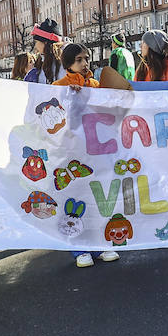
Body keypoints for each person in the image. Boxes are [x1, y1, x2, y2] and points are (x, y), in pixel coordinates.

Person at [49, 45, 120, 269]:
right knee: (74, 200)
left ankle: (100, 244)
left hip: (95, 154)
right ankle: (79, 248)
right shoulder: (58, 87)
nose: (84, 63)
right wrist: (68, 98)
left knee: (97, 198)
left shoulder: (96, 85)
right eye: (79, 60)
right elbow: (51, 120)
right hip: (70, 155)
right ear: (68, 64)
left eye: (86, 58)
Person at [24, 19, 64, 84]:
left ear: (45, 42)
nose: (35, 46)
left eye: (36, 42)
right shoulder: (41, 62)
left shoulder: (64, 62)